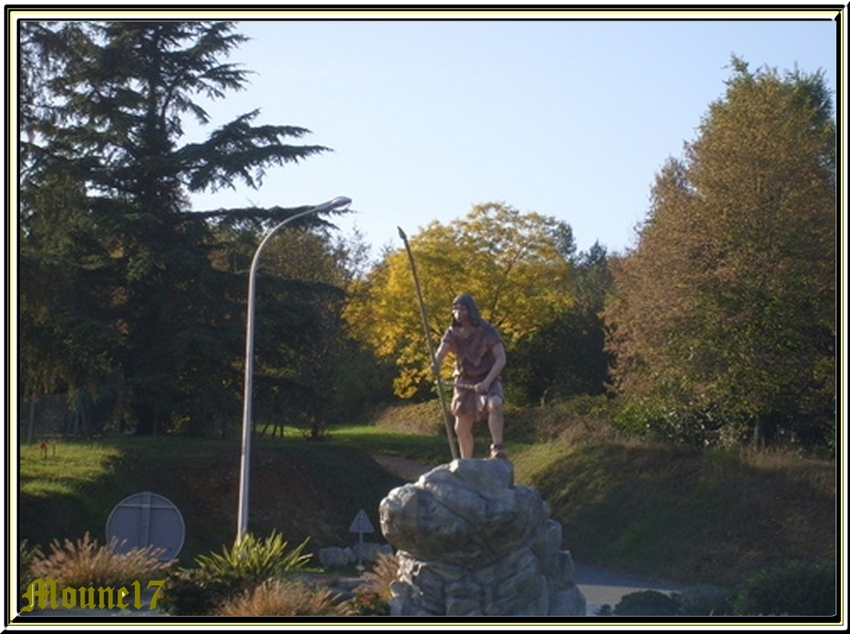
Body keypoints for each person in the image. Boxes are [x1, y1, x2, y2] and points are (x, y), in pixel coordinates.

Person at [431, 294, 508, 460]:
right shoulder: (452, 332)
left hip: (488, 378)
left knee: (495, 404)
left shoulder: (487, 331)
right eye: (455, 309)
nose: (458, 312)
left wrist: (487, 382)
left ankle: (498, 447)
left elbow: (501, 358)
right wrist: (436, 363)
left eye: (463, 308)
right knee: (461, 427)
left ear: (471, 310)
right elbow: (441, 351)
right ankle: (465, 462)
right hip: (464, 380)